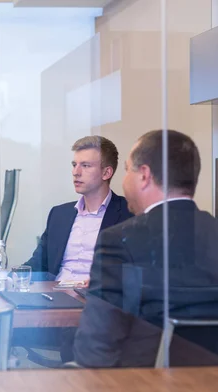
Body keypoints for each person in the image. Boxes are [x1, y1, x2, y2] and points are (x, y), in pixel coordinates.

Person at [74, 129, 218, 367]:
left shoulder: (119, 239)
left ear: (144, 175)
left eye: (128, 169)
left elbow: (94, 350)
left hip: (141, 385)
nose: (124, 179)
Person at [25, 135, 132, 282]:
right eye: (74, 164)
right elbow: (37, 265)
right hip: (55, 296)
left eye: (85, 165)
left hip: (97, 300)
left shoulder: (130, 214)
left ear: (106, 173)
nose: (76, 172)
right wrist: (6, 279)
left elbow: (136, 273)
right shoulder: (59, 214)